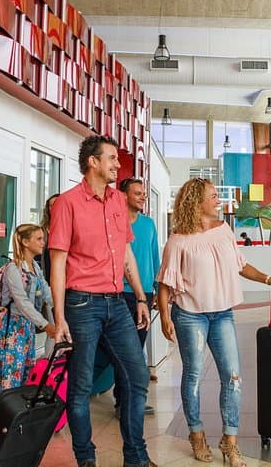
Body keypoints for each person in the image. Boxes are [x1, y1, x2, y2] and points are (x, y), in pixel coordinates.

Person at [156, 178, 271, 467]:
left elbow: (241, 265)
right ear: (197, 202)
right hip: (189, 315)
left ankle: (230, 441)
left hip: (222, 313)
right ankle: (196, 433)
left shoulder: (224, 230)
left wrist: (268, 279)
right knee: (192, 375)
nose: (218, 201)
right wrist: (165, 316)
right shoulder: (178, 240)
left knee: (233, 376)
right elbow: (165, 282)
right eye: (213, 196)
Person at [49, 135, 155, 467]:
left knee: (137, 376)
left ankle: (135, 457)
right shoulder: (67, 203)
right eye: (111, 158)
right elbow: (57, 264)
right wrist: (59, 318)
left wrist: (140, 296)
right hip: (81, 304)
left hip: (117, 302)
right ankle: (86, 458)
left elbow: (126, 254)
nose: (117, 164)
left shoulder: (118, 202)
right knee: (80, 386)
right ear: (93, 162)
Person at [116, 177, 161, 416]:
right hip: (120, 293)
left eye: (143, 193)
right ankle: (124, 402)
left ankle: (130, 400)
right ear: (124, 196)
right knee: (125, 350)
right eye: (137, 193)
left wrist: (157, 289)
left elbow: (154, 258)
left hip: (145, 294)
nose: (143, 197)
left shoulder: (149, 224)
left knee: (137, 347)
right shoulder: (116, 222)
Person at [0, 223, 56, 390]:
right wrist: (45, 325)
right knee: (11, 376)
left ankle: (21, 406)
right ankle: (7, 406)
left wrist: (64, 310)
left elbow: (47, 293)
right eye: (39, 239)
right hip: (13, 328)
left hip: (28, 326)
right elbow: (22, 302)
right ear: (25, 242)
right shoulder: (13, 269)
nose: (43, 243)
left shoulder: (35, 267)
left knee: (26, 374)